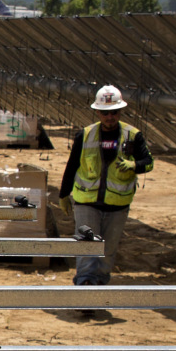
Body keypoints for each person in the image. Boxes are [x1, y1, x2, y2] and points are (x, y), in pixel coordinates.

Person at [58, 84, 154, 289]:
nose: (110, 117)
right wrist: (64, 194)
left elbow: (148, 162)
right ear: (97, 112)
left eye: (114, 113)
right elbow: (72, 165)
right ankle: (85, 287)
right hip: (87, 203)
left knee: (107, 251)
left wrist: (134, 165)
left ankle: (100, 287)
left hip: (117, 206)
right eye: (105, 113)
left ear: (120, 111)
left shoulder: (133, 136)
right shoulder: (84, 135)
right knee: (87, 247)